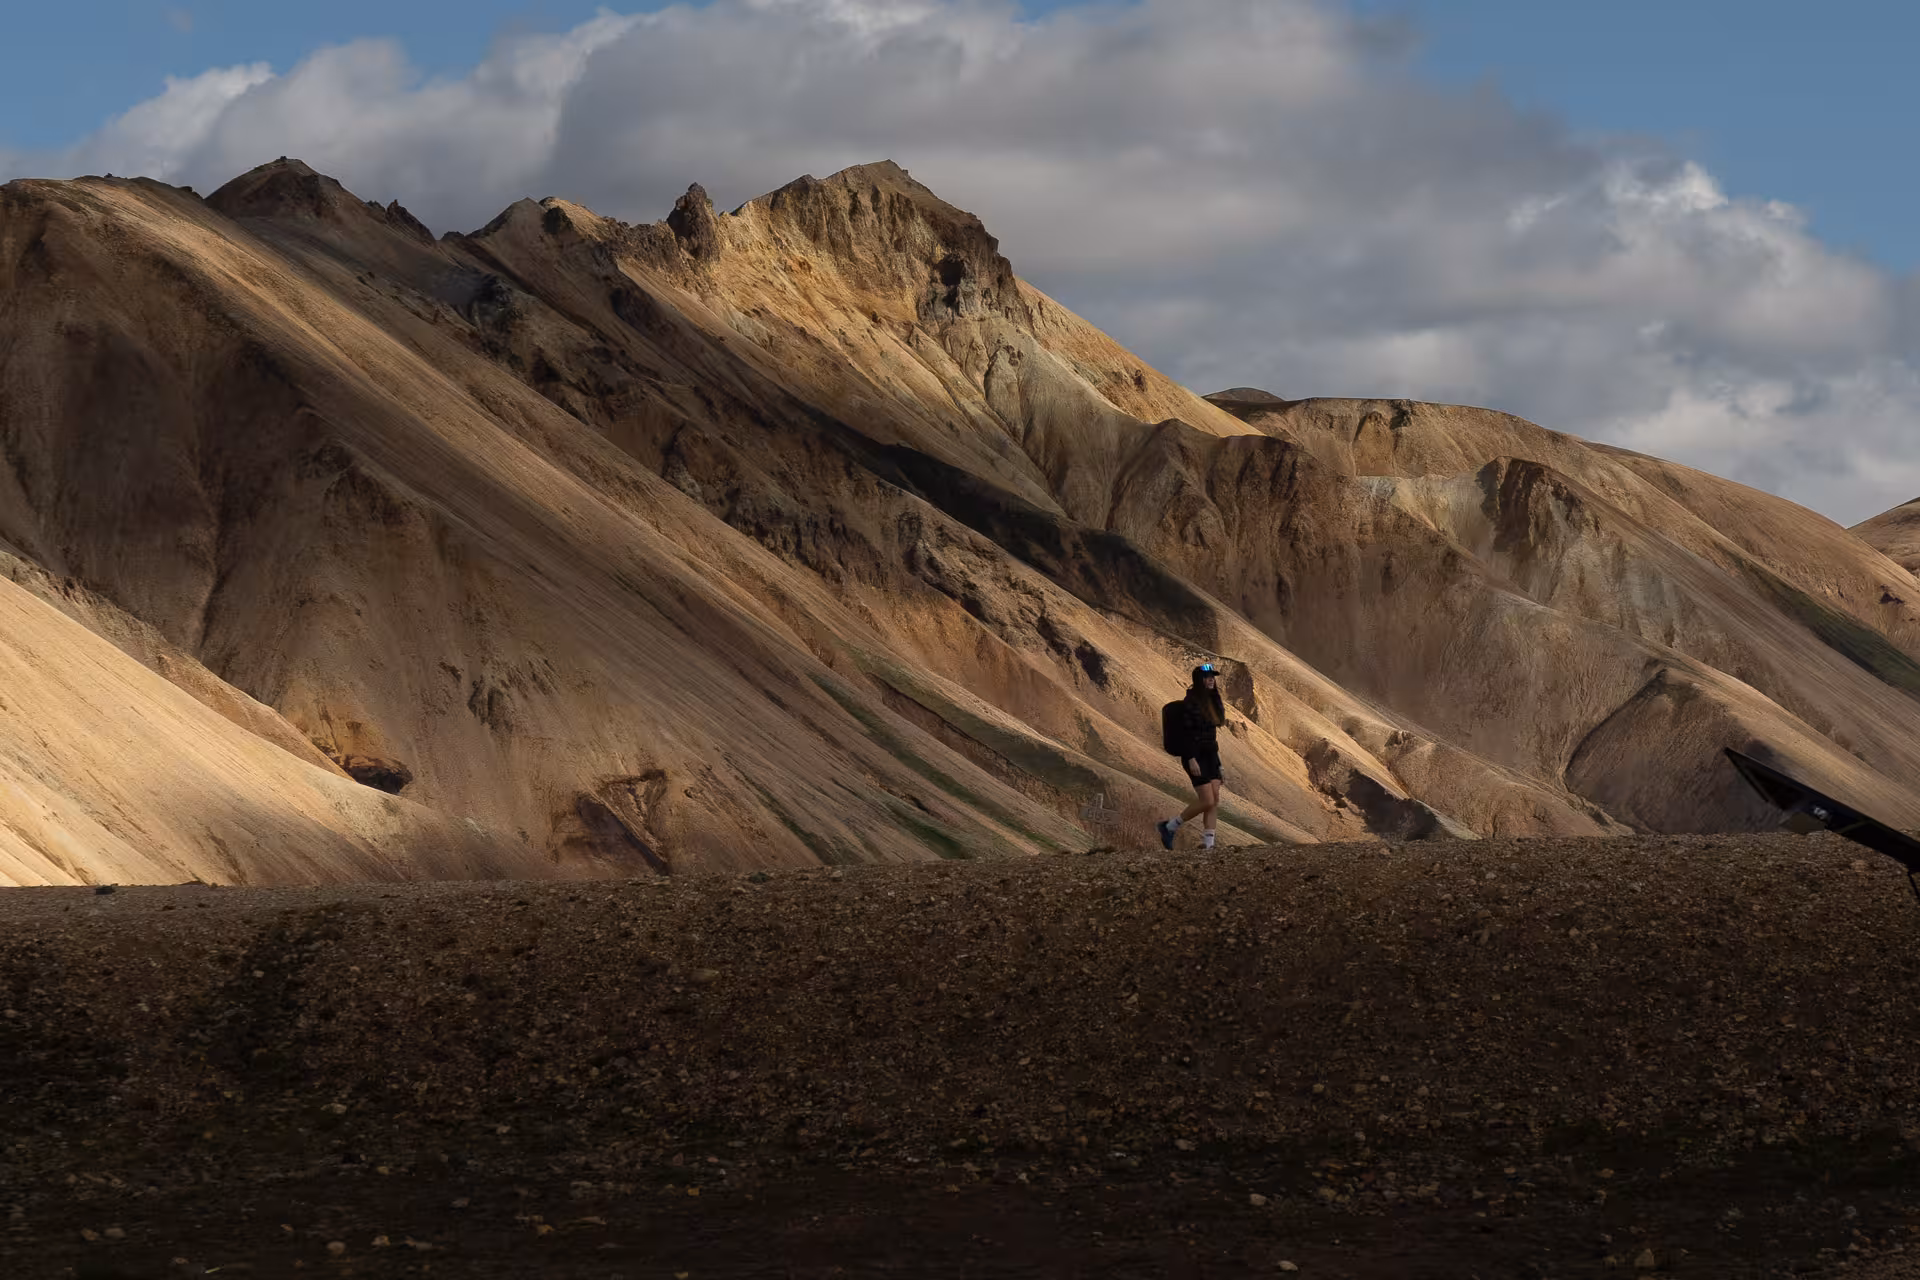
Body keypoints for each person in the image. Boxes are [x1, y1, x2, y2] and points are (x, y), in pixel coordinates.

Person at [1158, 664, 1226, 851]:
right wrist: (1190, 758)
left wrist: (1219, 764)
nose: (1211, 679)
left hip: (1211, 756)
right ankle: (1169, 826)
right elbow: (1185, 734)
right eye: (1207, 677)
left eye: (1212, 676)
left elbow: (1211, 737)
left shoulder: (1213, 702)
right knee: (1207, 800)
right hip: (1195, 757)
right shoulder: (1190, 703)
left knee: (1215, 799)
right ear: (1199, 680)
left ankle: (1209, 845)